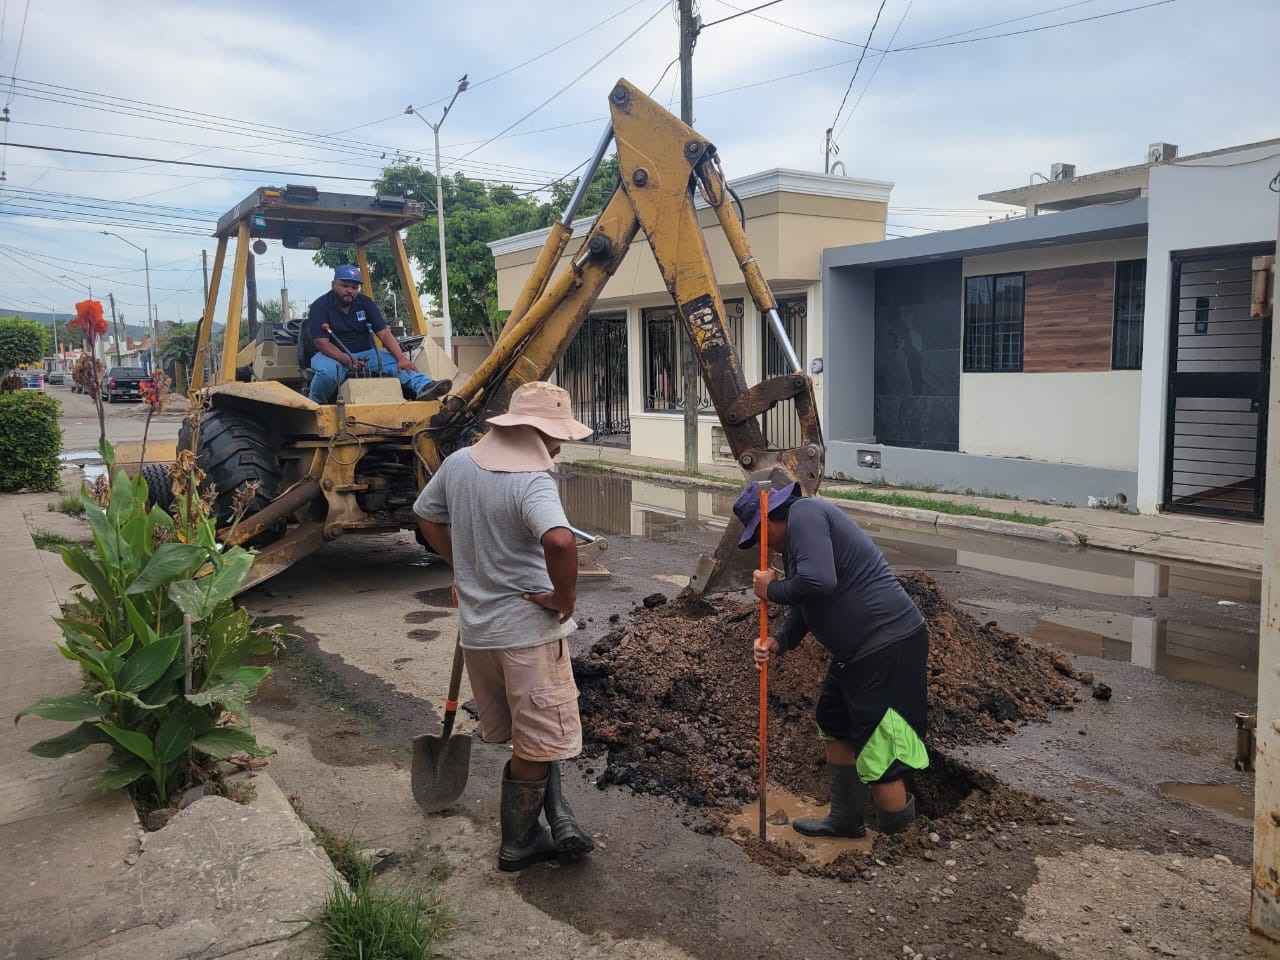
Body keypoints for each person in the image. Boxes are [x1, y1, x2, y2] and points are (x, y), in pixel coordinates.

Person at [413, 381, 595, 872]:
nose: (559, 446)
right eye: (556, 435)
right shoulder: (532, 482)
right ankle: (518, 843)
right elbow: (559, 541)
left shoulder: (457, 465)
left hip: (480, 637)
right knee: (539, 742)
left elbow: (426, 515)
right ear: (534, 432)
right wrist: (565, 598)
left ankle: (552, 821)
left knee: (524, 735)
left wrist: (462, 567)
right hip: (528, 636)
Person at [735, 479, 930, 837]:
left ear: (769, 520)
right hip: (854, 652)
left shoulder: (805, 514)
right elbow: (808, 604)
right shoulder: (797, 542)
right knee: (833, 719)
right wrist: (779, 641)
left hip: (886, 642)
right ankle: (845, 819)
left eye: (761, 537)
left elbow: (818, 582)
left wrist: (771, 589)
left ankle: (899, 842)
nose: (765, 547)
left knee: (881, 741)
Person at [306, 264, 451, 404]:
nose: (350, 290)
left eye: (354, 287)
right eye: (345, 286)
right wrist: (347, 360)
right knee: (328, 373)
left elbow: (384, 333)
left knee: (398, 364)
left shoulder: (366, 303)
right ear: (333, 284)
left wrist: (400, 357)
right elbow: (321, 343)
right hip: (331, 355)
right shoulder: (320, 306)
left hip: (367, 354)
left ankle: (425, 387)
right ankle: (315, 405)